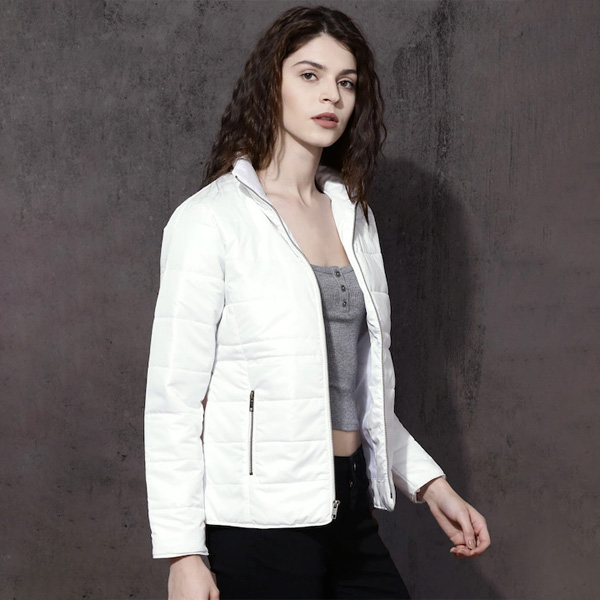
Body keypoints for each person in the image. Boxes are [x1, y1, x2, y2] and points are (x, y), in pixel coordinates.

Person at [143, 5, 491, 600]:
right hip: (258, 524)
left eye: (346, 82)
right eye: (310, 75)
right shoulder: (211, 220)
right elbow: (174, 402)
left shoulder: (353, 218)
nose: (331, 94)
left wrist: (432, 485)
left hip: (349, 505)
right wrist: (183, 553)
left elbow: (359, 391)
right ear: (271, 84)